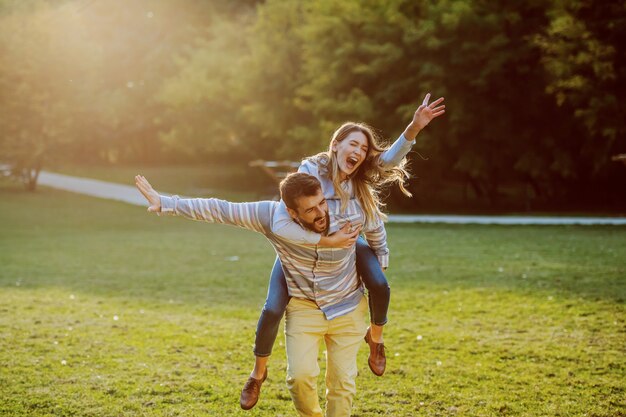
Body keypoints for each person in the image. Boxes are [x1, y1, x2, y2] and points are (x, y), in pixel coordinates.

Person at [243, 93, 446, 409]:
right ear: (335, 144)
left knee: (379, 284)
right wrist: (314, 239)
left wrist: (413, 128)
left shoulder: (361, 180)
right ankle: (258, 373)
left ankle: (375, 339)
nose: (359, 152)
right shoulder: (311, 168)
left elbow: (388, 162)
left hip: (349, 245)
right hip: (302, 251)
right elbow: (290, 205)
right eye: (353, 144)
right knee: (271, 309)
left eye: (364, 149)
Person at [134, 172, 389, 417]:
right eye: (310, 210)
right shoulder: (270, 216)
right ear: (291, 213)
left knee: (343, 384)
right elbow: (221, 209)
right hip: (304, 307)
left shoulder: (344, 211)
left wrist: (381, 261)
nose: (321, 213)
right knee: (299, 379)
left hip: (347, 306)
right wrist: (166, 203)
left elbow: (375, 221)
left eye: (322, 203)